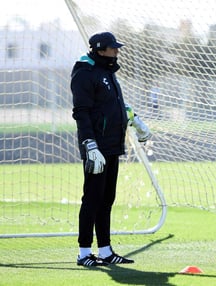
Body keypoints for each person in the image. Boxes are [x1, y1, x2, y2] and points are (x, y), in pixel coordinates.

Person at [71, 31, 151, 267]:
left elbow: (112, 105)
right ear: (100, 49)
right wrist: (89, 144)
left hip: (112, 144)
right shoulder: (84, 72)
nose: (117, 51)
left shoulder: (106, 70)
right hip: (96, 146)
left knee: (107, 199)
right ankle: (84, 253)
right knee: (92, 199)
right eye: (113, 48)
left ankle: (105, 251)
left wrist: (134, 118)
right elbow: (81, 112)